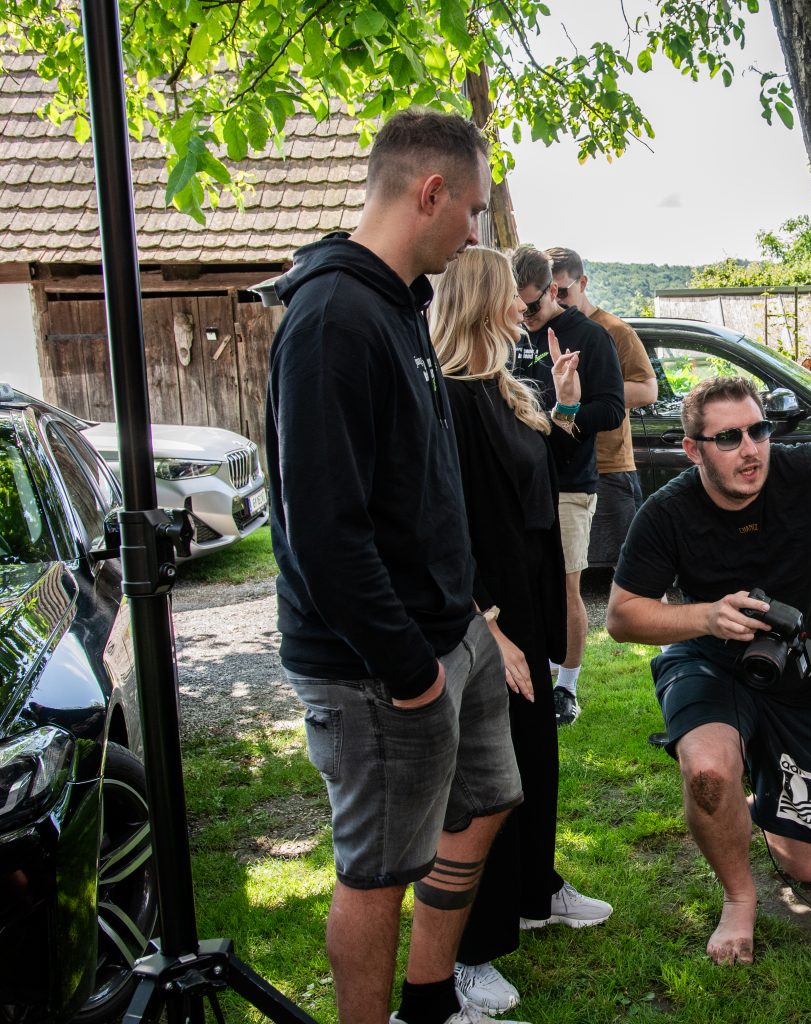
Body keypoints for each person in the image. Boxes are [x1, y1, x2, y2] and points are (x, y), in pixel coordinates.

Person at [267, 109, 521, 1024]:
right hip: (377, 663)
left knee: (487, 799)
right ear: (431, 191)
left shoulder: (399, 303)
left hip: (452, 629)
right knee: (375, 871)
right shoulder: (333, 318)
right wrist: (410, 669)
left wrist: (473, 617)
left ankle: (431, 1000)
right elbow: (323, 534)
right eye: (475, 210)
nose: (478, 232)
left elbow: (418, 493)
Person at [605, 376, 811, 965]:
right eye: (728, 438)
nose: (750, 450)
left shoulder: (810, 470)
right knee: (709, 773)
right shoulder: (667, 512)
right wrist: (706, 617)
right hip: (710, 663)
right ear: (693, 450)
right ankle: (738, 897)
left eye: (758, 431)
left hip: (803, 681)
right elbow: (620, 617)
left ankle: (763, 774)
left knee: (804, 867)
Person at [429, 246, 613, 1018]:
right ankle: (469, 953)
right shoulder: (447, 398)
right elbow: (441, 526)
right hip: (488, 610)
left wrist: (564, 406)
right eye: (513, 295)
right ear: (482, 302)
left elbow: (544, 470)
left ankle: (537, 889)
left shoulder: (505, 385)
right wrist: (489, 623)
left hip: (528, 597)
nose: (526, 306)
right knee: (488, 780)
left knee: (535, 751)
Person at [510, 245, 626, 727]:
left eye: (532, 305)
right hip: (515, 482)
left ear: (554, 291)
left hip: (567, 482)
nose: (525, 315)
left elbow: (613, 409)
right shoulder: (508, 331)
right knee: (519, 585)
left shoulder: (590, 336)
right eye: (517, 306)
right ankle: (530, 675)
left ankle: (567, 688)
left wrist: (565, 409)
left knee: (564, 586)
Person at [545, 247, 658, 574]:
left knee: (632, 570)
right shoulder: (544, 329)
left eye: (562, 292)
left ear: (583, 283)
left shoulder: (613, 330)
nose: (556, 300)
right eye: (549, 292)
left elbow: (648, 389)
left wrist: (585, 391)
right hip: (560, 467)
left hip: (608, 466)